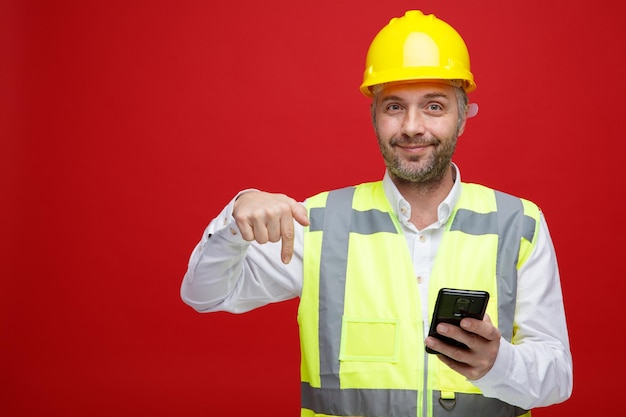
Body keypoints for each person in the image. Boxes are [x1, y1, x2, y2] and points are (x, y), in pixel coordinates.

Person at [180, 9, 573, 417]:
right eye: (394, 107)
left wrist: (496, 364)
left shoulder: (519, 224)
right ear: (375, 117)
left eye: (434, 107)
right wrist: (235, 218)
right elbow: (204, 295)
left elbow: (558, 379)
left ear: (462, 119)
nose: (412, 127)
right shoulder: (317, 223)